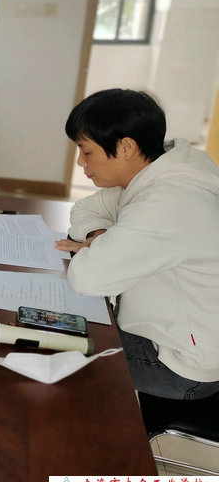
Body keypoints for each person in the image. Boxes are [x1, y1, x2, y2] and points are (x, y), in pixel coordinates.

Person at [55, 89, 219, 400]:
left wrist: (100, 246)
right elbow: (84, 209)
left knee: (53, 346)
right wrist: (99, 235)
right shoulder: (156, 174)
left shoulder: (167, 203)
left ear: (126, 147)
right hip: (168, 338)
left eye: (86, 151)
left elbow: (87, 278)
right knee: (55, 329)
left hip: (179, 363)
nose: (80, 162)